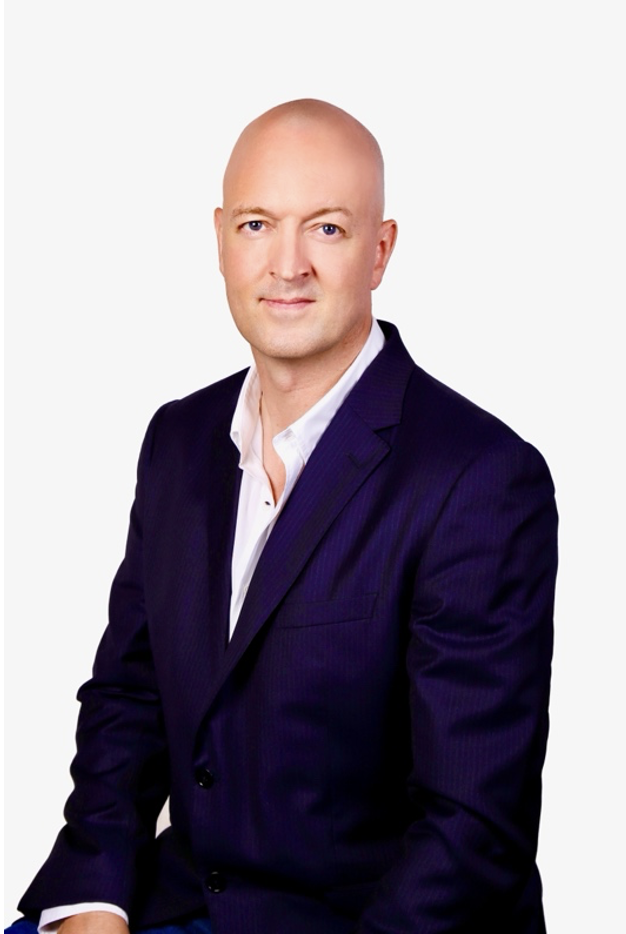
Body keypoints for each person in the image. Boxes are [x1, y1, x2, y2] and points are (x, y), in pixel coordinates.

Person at [13, 99, 558, 934]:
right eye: (258, 225)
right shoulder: (178, 440)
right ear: (221, 239)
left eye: (328, 229)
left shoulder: (480, 478)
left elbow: (472, 829)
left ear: (380, 252)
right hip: (185, 902)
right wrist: (94, 897)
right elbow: (130, 695)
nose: (288, 264)